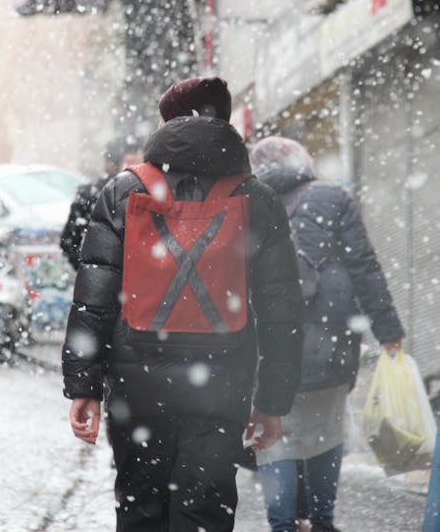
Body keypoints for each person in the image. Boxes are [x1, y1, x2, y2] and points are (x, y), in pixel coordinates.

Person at [62, 76, 303, 532]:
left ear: (166, 122)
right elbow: (281, 310)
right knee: (205, 511)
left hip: (138, 384)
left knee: (140, 509)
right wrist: (272, 398)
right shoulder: (257, 197)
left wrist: (84, 385)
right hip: (222, 382)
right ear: (224, 121)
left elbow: (94, 300)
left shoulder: (122, 191)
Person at [249, 135, 405, 532]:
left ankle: (282, 524)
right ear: (303, 162)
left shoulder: (245, 202)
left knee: (273, 440)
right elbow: (364, 268)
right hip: (331, 342)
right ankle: (321, 521)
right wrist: (388, 330)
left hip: (264, 345)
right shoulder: (333, 200)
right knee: (326, 431)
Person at [60, 137, 139, 271]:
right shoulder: (91, 195)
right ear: (111, 164)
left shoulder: (141, 194)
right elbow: (69, 241)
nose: (135, 168)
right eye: (129, 162)